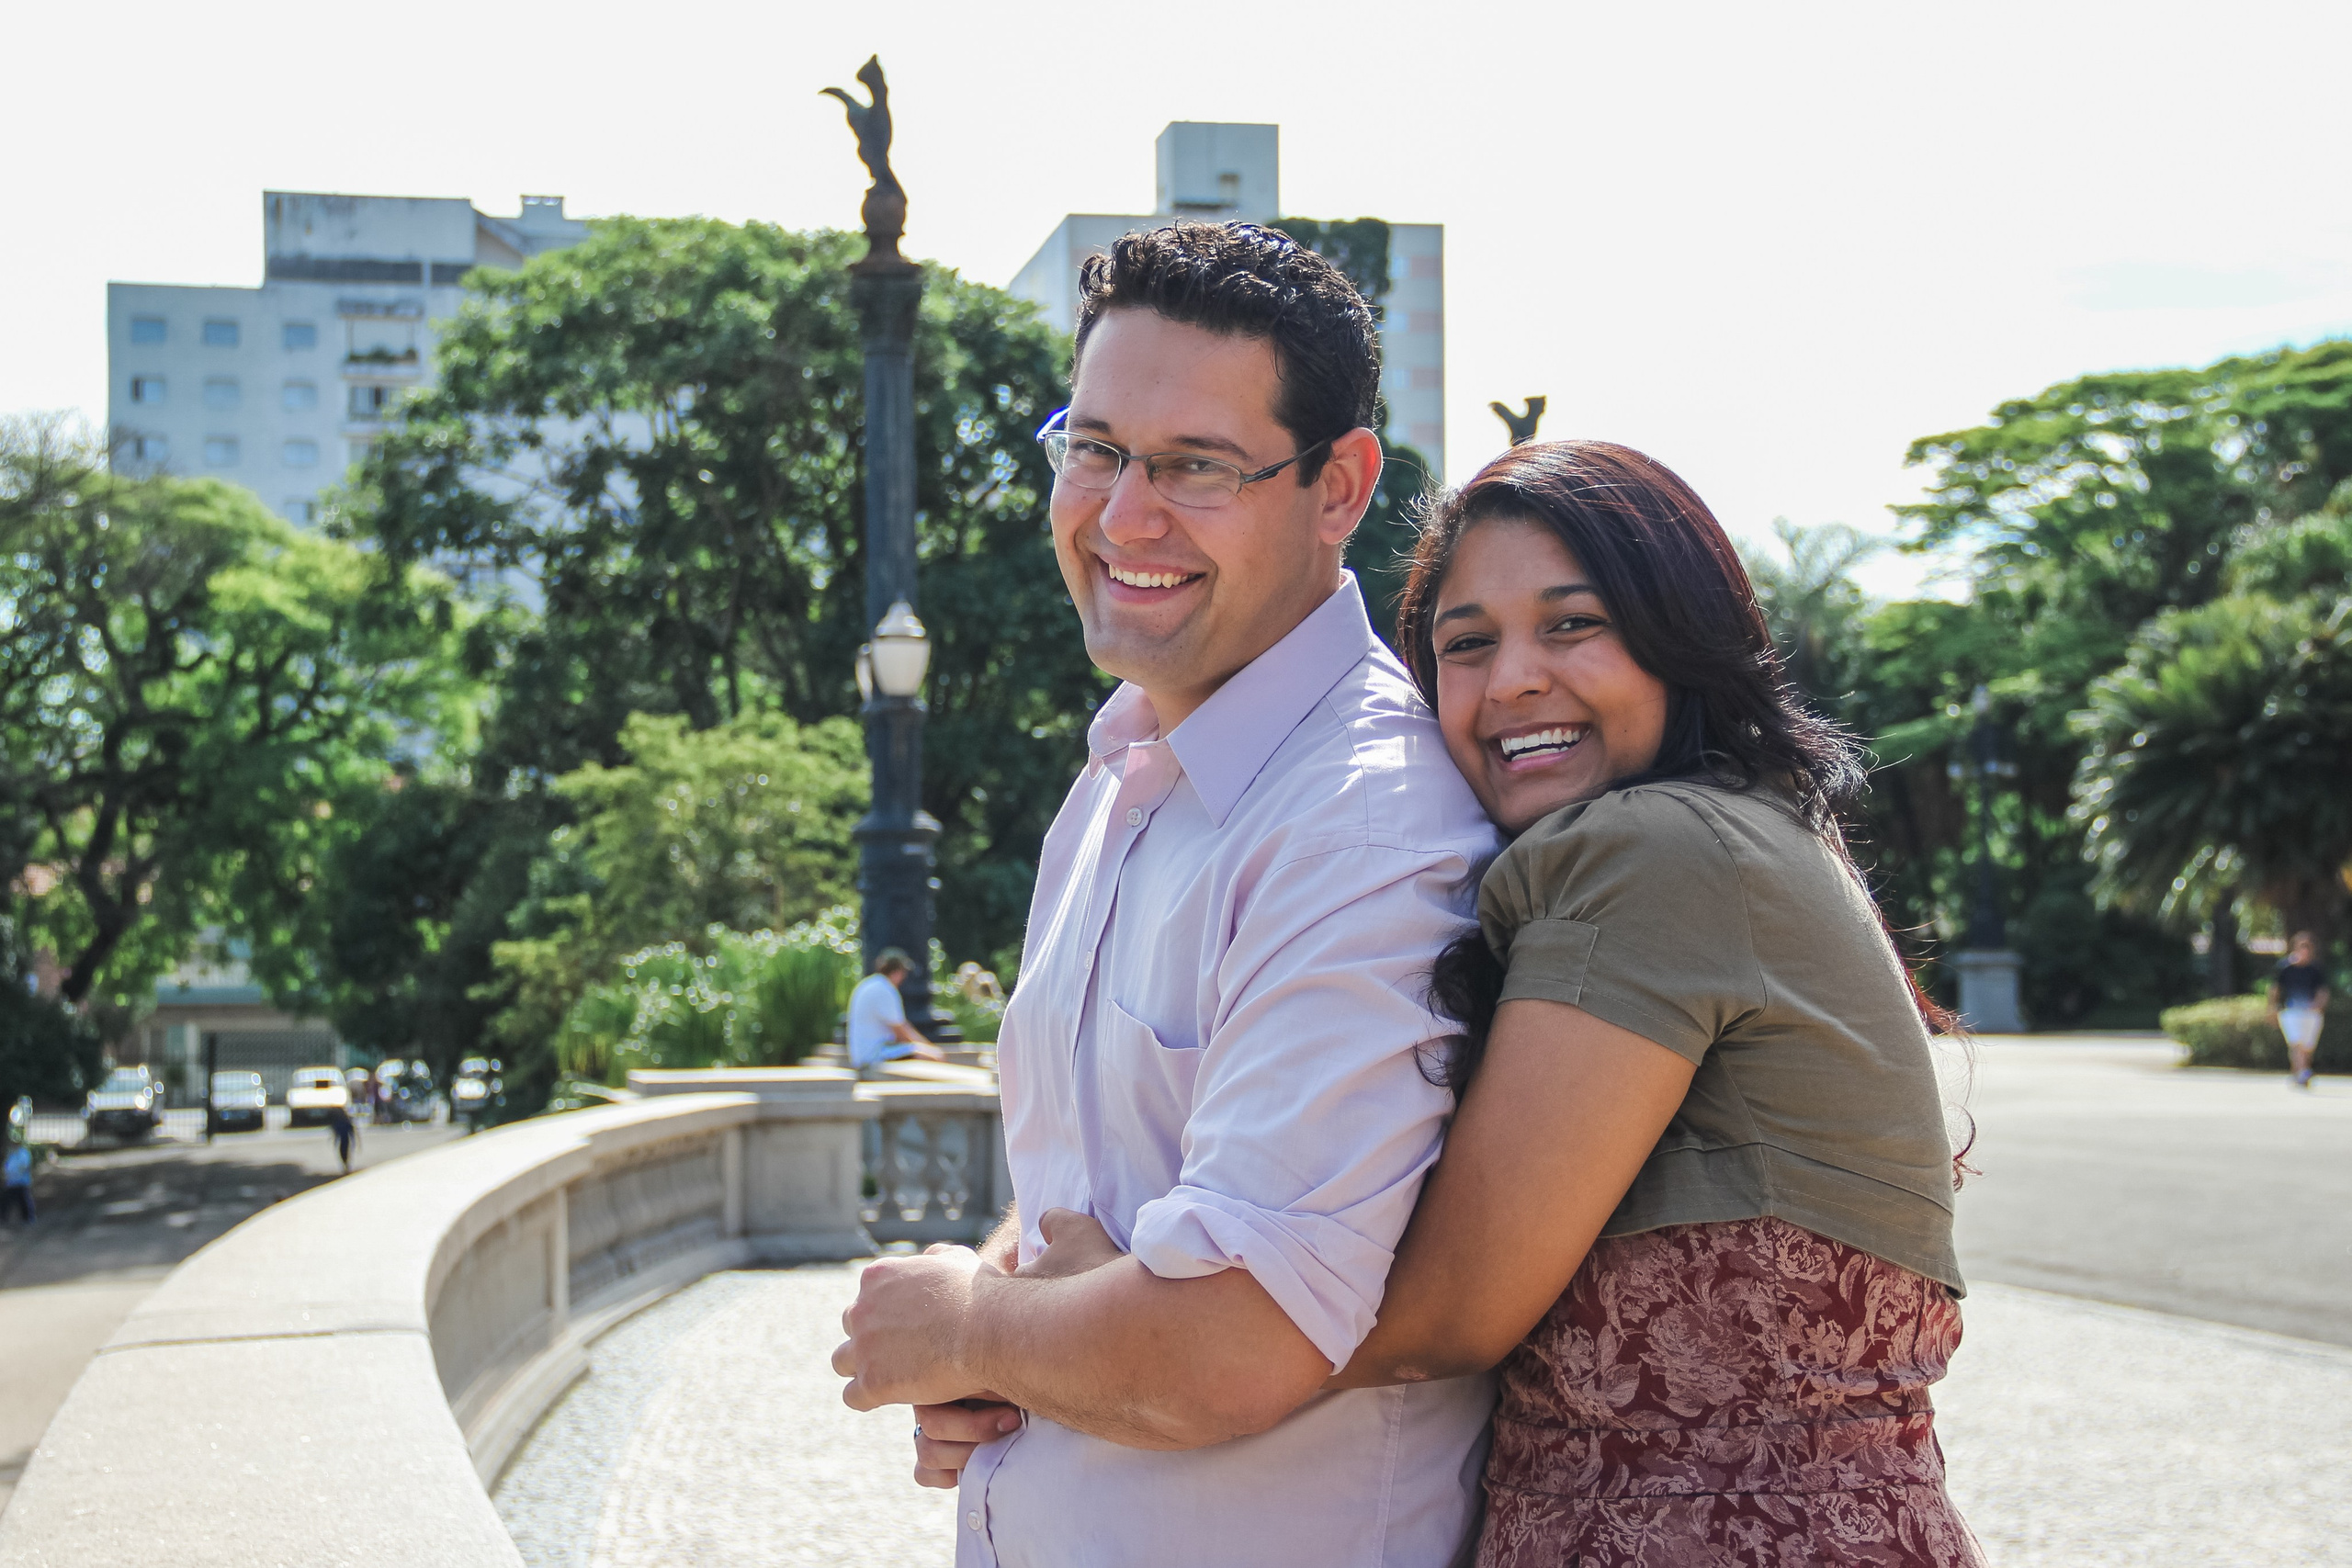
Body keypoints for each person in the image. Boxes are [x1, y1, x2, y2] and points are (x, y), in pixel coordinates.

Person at [1001, 440, 1985, 1565]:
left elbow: (1446, 1308)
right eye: (1466, 644)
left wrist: (1051, 1339)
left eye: (1572, 625)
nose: (1514, 676)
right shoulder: (1734, 837)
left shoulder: (1654, 854)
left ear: (1683, 639)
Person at [831, 221, 1502, 1566]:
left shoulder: (1360, 826)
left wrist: (967, 1326)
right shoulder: (1123, 771)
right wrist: (1011, 1309)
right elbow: (1093, 1181)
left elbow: (1233, 1337)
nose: (1124, 514)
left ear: (1339, 486)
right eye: (1094, 448)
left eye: (1197, 465)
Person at [846, 950, 949, 1075]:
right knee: (932, 1057)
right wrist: (930, 1050)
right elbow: (901, 1033)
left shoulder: (868, 984)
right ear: (897, 972)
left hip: (863, 1055)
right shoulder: (885, 989)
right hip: (874, 1056)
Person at [2269, 931, 2332, 1089]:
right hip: (2291, 1011)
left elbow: (2323, 991)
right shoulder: (2285, 968)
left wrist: (2318, 1005)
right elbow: (2275, 989)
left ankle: (2299, 1073)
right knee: (2296, 1043)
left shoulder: (2315, 969)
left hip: (2310, 1013)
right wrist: (2272, 1008)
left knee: (2306, 1047)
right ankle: (2303, 1072)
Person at [2, 1137, 34, 1224]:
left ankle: (28, 1218)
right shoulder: (10, 1154)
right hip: (11, 1182)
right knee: (6, 1201)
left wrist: (16, 1173)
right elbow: (6, 1165)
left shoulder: (24, 1153)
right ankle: (3, 1218)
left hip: (22, 1182)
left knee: (24, 1201)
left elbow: (25, 1166)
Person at [325, 1101, 357, 1174]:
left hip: (344, 1139)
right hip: (345, 1139)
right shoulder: (344, 1120)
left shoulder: (340, 1121)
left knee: (343, 1151)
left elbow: (337, 1131)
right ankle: (346, 1164)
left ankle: (345, 1164)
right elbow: (351, 1130)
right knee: (344, 1151)